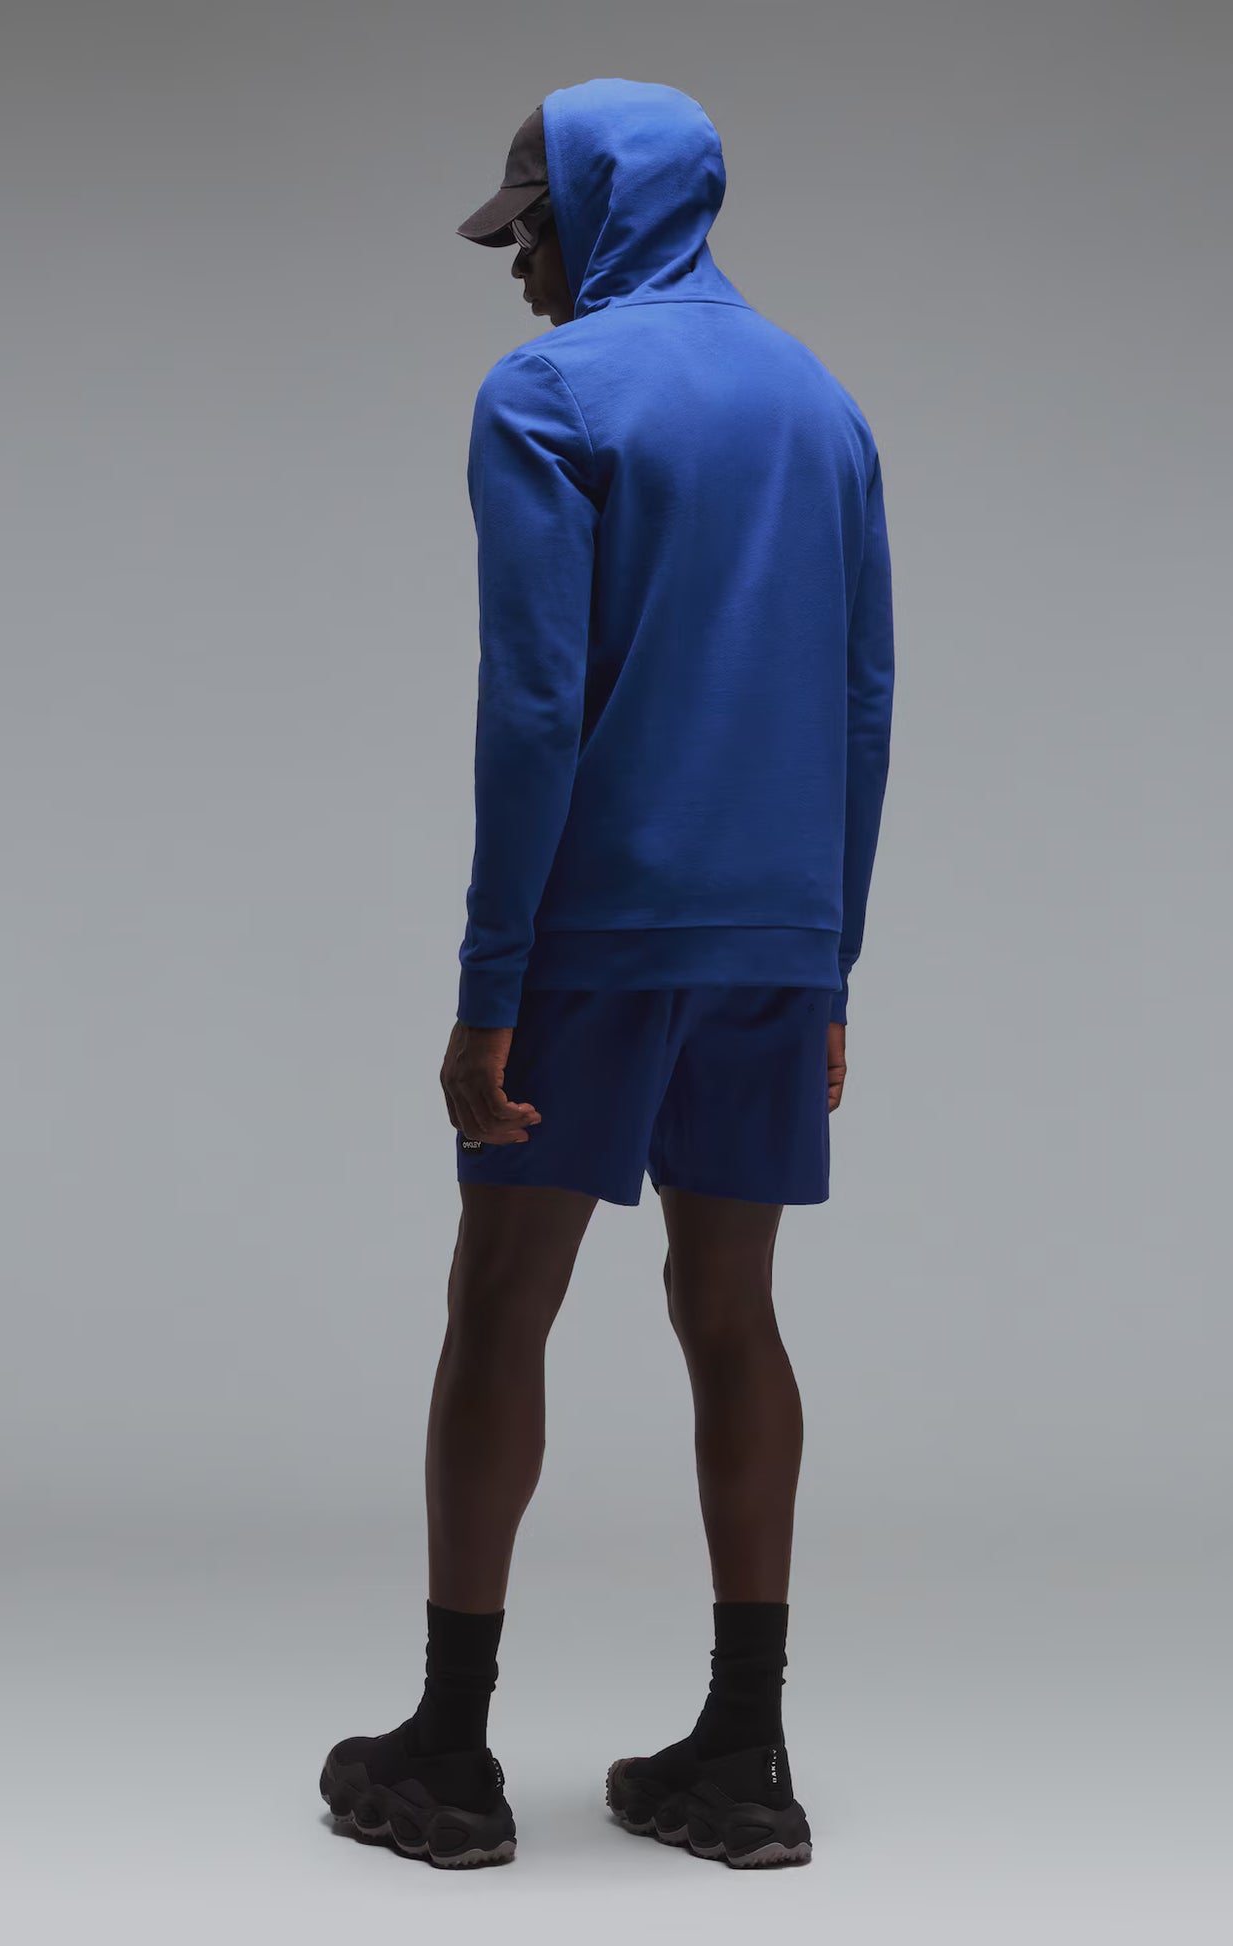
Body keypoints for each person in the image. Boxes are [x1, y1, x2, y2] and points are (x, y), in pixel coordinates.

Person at [320, 77, 895, 1872]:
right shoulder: (822, 404)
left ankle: (450, 1748)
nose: (519, 268)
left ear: (598, 212)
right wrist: (829, 962)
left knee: (502, 1298)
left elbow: (534, 702)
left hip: (599, 929)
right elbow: (865, 697)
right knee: (732, 1311)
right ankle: (746, 1753)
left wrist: (489, 980)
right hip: (773, 931)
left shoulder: (550, 394)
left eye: (534, 229)